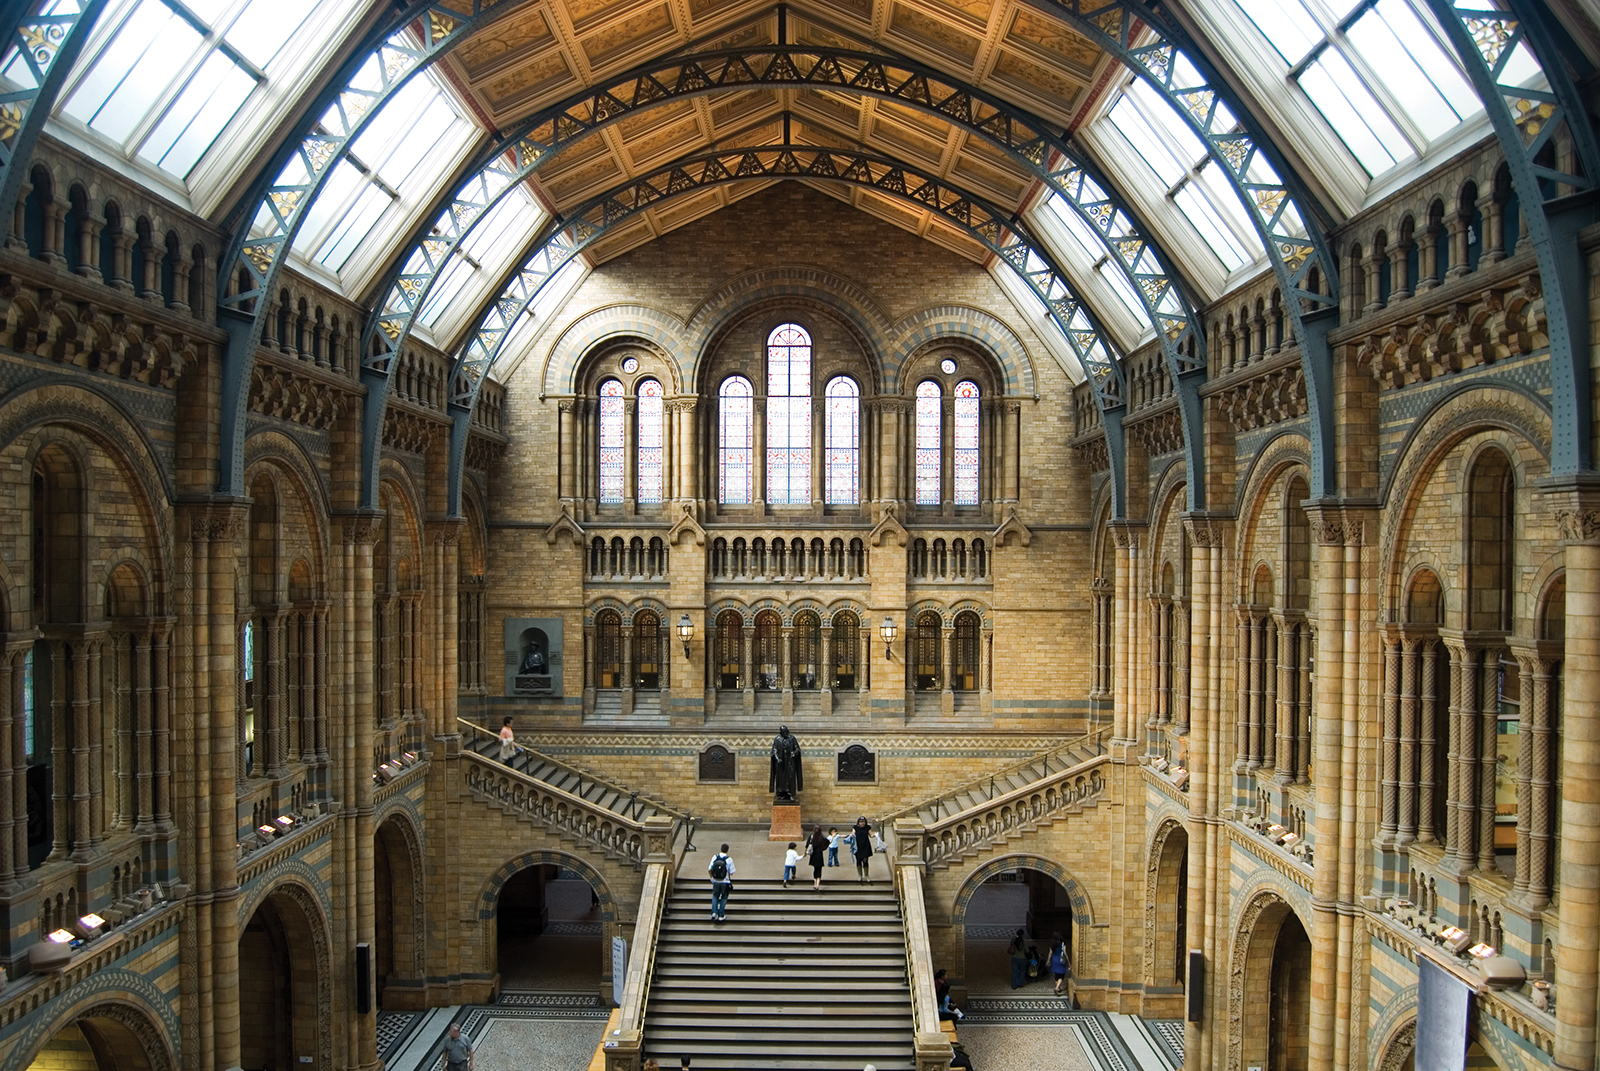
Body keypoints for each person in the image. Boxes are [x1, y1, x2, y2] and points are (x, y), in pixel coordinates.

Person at [769, 725, 803, 800]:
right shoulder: (777, 739)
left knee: (790, 777)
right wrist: (777, 758)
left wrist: (794, 753)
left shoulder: (792, 738)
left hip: (790, 762)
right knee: (781, 779)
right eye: (783, 732)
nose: (785, 733)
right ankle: (782, 793)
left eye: (786, 731)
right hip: (781, 764)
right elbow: (774, 750)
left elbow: (797, 749)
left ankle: (790, 793)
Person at [708, 843, 735, 921]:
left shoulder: (715, 857)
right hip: (725, 882)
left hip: (716, 881)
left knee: (715, 896)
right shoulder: (729, 860)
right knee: (724, 898)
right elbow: (732, 872)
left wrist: (712, 878)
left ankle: (714, 912)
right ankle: (721, 915)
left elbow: (709, 869)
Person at [852, 816, 874, 883]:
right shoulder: (855, 827)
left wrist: (876, 835)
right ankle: (860, 875)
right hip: (858, 846)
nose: (862, 823)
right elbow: (853, 834)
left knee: (865, 860)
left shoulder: (867, 828)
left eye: (863, 822)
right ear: (858, 822)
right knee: (858, 860)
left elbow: (871, 835)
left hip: (865, 846)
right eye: (861, 822)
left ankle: (866, 875)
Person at [807, 824, 828, 891]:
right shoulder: (822, 837)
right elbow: (827, 843)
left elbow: (807, 845)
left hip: (813, 855)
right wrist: (822, 849)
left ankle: (814, 883)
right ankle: (817, 884)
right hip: (819, 855)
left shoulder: (811, 837)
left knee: (815, 870)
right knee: (819, 870)